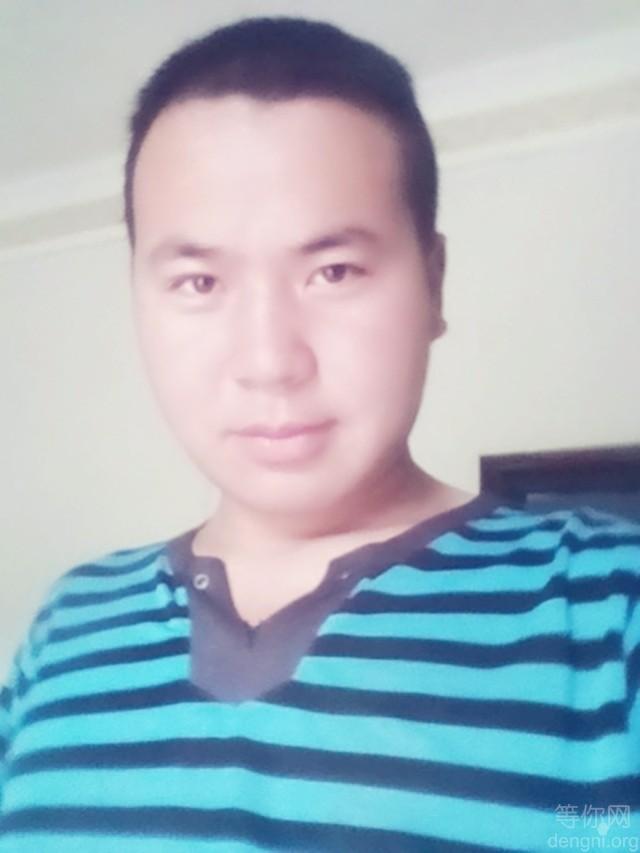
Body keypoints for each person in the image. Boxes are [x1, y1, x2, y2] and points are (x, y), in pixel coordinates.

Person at [1, 16, 638, 852]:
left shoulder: (608, 608)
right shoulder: (68, 625)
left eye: (333, 271)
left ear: (433, 283)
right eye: (199, 281)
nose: (269, 361)